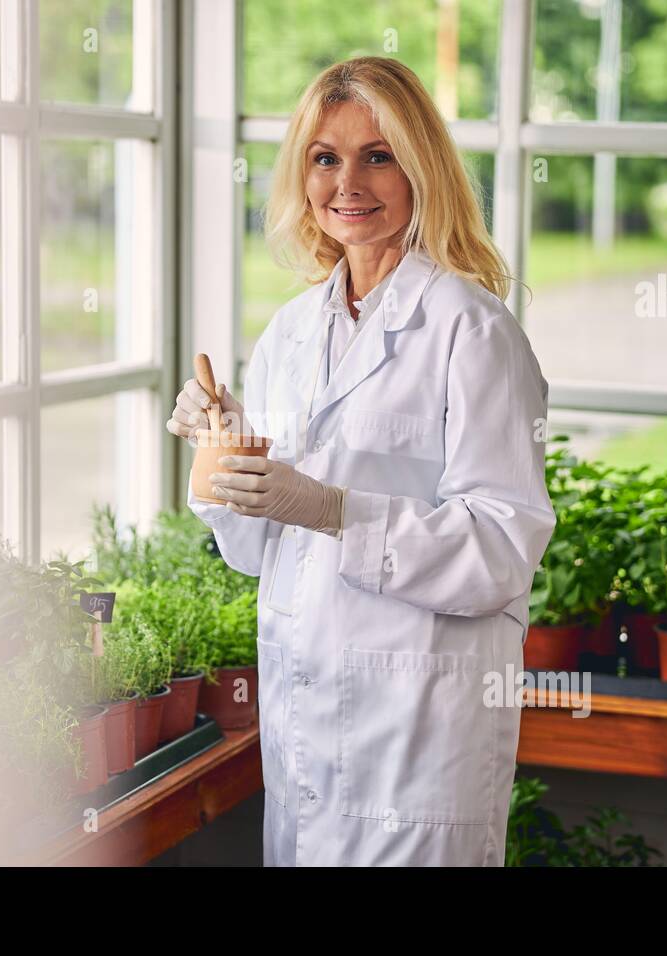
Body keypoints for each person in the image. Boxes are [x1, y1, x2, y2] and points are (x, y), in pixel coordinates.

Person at [165, 56, 556, 866]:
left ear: (420, 169)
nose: (349, 181)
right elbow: (252, 552)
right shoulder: (291, 333)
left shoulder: (471, 332)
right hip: (306, 721)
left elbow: (501, 550)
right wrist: (223, 448)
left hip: (419, 730)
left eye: (377, 155)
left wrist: (334, 508)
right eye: (324, 157)